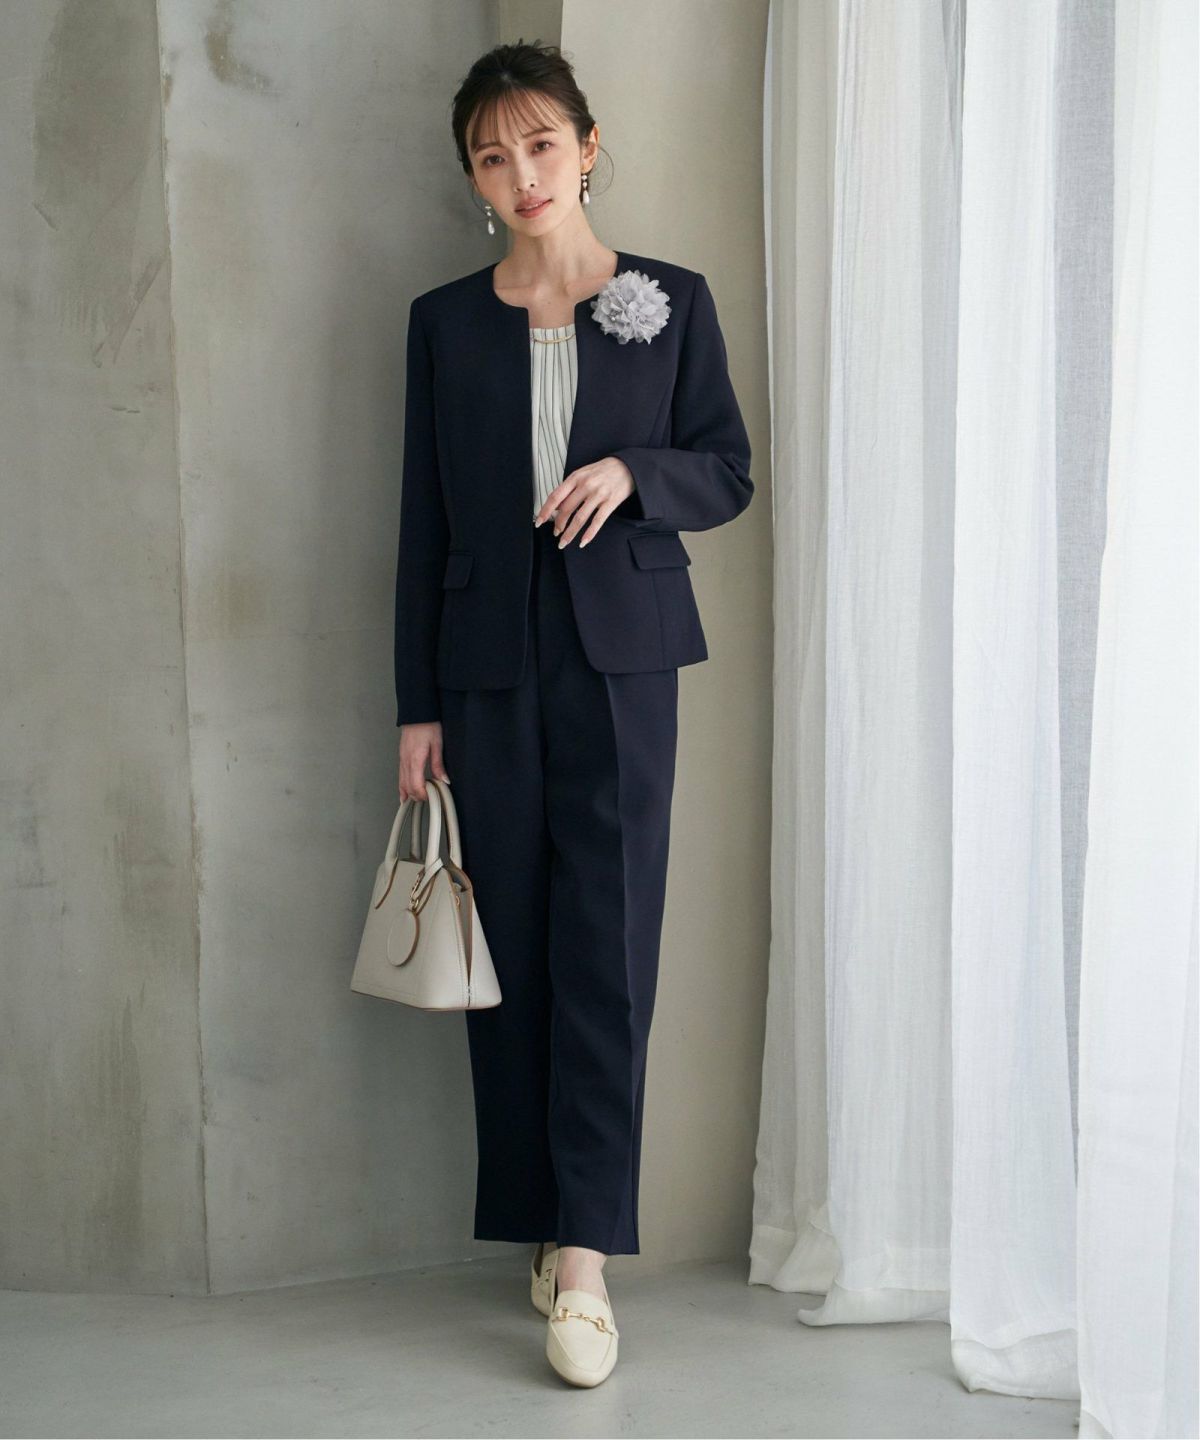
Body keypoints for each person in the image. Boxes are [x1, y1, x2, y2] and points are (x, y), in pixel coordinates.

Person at [393, 38, 753, 1387]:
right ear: (474, 178)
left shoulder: (670, 299)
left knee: (609, 945)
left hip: (624, 662)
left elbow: (729, 470)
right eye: (493, 155)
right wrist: (415, 705)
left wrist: (633, 472)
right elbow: (422, 523)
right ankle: (542, 1229)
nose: (522, 173)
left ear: (587, 149)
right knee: (512, 956)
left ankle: (588, 1262)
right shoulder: (444, 322)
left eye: (542, 144)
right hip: (485, 670)